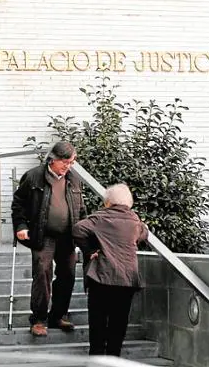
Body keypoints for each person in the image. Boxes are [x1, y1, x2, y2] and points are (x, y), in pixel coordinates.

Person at [11, 140, 85, 337]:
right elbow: (18, 204)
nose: (68, 167)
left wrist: (84, 233)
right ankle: (39, 319)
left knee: (68, 275)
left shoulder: (73, 179)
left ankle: (58, 315)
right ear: (53, 160)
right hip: (43, 235)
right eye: (65, 162)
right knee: (42, 274)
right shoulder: (34, 176)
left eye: (71, 163)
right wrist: (21, 226)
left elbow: (81, 209)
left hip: (67, 236)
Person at [72, 183, 148, 357]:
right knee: (119, 321)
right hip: (127, 278)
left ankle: (97, 357)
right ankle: (114, 357)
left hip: (102, 276)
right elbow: (143, 234)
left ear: (108, 202)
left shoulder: (99, 218)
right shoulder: (135, 221)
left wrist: (90, 250)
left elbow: (77, 229)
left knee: (98, 319)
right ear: (128, 202)